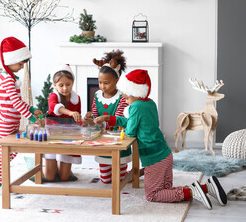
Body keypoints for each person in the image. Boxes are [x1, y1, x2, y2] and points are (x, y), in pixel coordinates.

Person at [94, 69, 227, 209]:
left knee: (153, 195)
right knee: (166, 191)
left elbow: (131, 132)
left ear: (136, 93)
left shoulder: (135, 107)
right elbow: (133, 121)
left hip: (154, 159)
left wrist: (122, 132)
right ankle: (207, 187)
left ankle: (191, 192)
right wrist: (111, 118)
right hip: (165, 154)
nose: (125, 101)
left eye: (127, 98)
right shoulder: (149, 103)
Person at [0, 37, 44, 189]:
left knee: (12, 152)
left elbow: (18, 101)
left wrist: (32, 109)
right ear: (10, 60)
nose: (22, 67)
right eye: (20, 63)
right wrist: (32, 118)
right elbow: (15, 103)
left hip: (11, 123)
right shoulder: (7, 79)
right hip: (5, 124)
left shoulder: (11, 77)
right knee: (7, 153)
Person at [84, 50, 130, 184]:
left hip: (118, 139)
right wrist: (90, 118)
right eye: (100, 82)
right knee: (105, 180)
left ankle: (126, 173)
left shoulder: (122, 97)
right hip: (103, 139)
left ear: (117, 80)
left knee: (119, 180)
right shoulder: (98, 96)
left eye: (106, 83)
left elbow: (118, 119)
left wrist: (103, 120)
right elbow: (95, 116)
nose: (102, 86)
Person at [43, 64, 82, 181]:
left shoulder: (76, 99)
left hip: (68, 136)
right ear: (55, 85)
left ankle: (62, 167)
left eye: (68, 84)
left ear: (73, 82)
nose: (65, 88)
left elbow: (78, 117)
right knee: (49, 177)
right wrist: (70, 112)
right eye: (61, 85)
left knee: (64, 177)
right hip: (52, 135)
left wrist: (82, 120)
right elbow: (54, 106)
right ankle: (45, 166)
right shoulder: (53, 96)